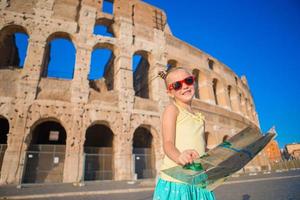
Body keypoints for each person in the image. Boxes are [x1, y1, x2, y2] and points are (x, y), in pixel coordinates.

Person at [153, 67, 216, 200]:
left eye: (188, 80)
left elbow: (201, 148)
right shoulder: (172, 110)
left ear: (194, 82)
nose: (185, 86)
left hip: (198, 179)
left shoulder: (200, 118)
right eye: (177, 85)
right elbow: (168, 144)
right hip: (177, 180)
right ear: (170, 93)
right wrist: (179, 156)